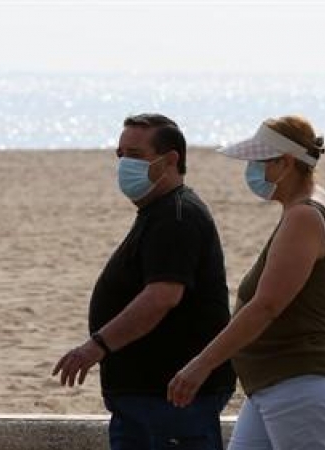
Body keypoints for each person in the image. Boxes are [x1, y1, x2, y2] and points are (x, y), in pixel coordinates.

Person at [167, 115, 325, 450]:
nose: (251, 171)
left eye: (258, 161)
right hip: (274, 383)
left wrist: (202, 364)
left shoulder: (304, 216)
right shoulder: (304, 205)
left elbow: (266, 306)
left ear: (285, 163)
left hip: (298, 382)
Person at [52, 113, 236, 450]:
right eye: (120, 155)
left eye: (135, 156)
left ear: (170, 161)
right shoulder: (159, 213)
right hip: (144, 398)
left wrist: (96, 346)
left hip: (170, 399)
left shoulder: (178, 216)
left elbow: (162, 296)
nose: (124, 165)